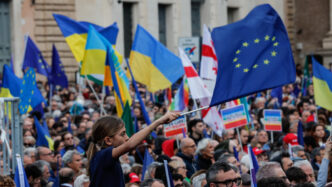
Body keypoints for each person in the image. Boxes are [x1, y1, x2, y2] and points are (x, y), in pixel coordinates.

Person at [87, 112, 179, 187]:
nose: (127, 138)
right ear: (108, 140)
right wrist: (158, 122)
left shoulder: (105, 157)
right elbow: (130, 144)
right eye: (122, 134)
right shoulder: (101, 156)